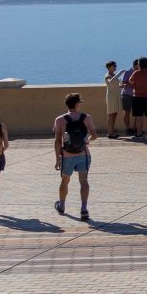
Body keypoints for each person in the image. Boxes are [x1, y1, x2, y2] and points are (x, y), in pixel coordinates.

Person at [53, 92, 95, 221]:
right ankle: (83, 209)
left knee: (65, 180)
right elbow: (95, 135)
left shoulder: (60, 120)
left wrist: (57, 159)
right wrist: (86, 140)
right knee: (83, 180)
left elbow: (57, 141)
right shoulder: (86, 118)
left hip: (67, 155)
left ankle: (62, 205)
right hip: (84, 154)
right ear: (77, 104)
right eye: (80, 102)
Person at [129, 57, 147, 137]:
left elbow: (130, 81)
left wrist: (135, 85)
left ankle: (139, 133)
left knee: (139, 116)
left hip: (137, 96)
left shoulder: (136, 73)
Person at [104, 61, 125, 139]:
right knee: (111, 114)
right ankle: (110, 132)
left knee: (114, 114)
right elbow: (110, 82)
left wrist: (121, 86)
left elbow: (114, 85)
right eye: (114, 66)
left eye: (115, 66)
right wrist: (119, 74)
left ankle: (111, 132)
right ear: (109, 67)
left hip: (116, 96)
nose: (115, 67)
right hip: (111, 97)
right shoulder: (108, 75)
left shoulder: (113, 75)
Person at [117, 59, 136, 138]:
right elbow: (123, 83)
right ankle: (128, 128)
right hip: (127, 94)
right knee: (126, 112)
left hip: (136, 95)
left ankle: (135, 128)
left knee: (137, 113)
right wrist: (131, 84)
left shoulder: (139, 73)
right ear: (135, 65)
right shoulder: (127, 72)